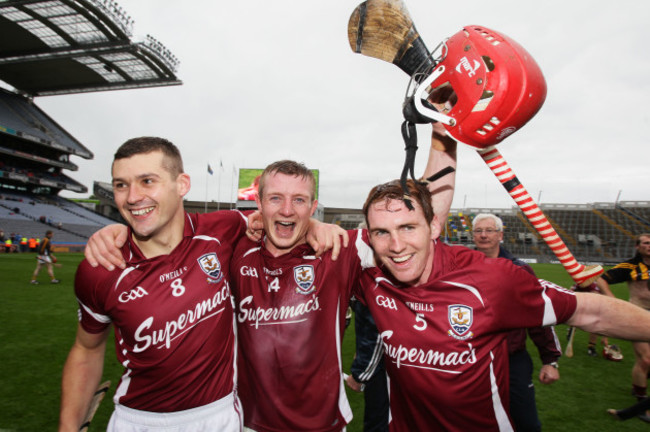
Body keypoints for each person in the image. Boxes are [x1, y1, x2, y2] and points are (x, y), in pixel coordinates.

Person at [84, 124, 458, 432]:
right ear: (257, 205)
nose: (286, 209)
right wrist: (116, 232)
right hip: (244, 424)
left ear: (313, 207)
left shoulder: (337, 249)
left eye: (299, 200)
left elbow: (421, 213)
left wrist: (445, 130)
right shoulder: (232, 248)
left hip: (322, 427)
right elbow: (169, 234)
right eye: (275, 198)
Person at [353, 179, 650, 431]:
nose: (395, 246)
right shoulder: (371, 275)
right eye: (382, 232)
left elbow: (591, 311)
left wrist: (550, 358)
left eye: (407, 227)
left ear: (433, 227)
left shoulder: (492, 279)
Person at [472, 213, 561, 432]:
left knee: (526, 422)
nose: (483, 235)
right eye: (478, 231)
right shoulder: (458, 269)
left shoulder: (519, 270)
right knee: (475, 420)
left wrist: (550, 359)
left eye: (489, 230)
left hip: (512, 358)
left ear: (500, 235)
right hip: (474, 360)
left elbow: (539, 316)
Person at [598, 233, 650, 401]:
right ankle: (641, 399)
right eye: (646, 243)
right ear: (638, 246)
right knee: (646, 359)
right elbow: (602, 279)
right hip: (638, 315)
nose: (649, 245)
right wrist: (611, 299)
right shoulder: (631, 266)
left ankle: (639, 384)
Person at [346, 297, 389, 432]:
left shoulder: (374, 279)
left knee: (378, 421)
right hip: (391, 357)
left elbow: (377, 327)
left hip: (384, 364)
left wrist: (360, 374)